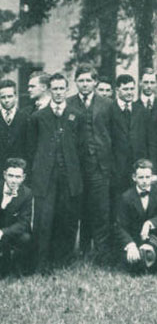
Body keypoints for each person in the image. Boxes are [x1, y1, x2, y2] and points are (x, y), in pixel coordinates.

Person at [28, 73, 84, 271]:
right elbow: (32, 148)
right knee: (45, 218)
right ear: (49, 90)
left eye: (62, 88)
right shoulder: (38, 117)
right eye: (55, 89)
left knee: (67, 218)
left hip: (69, 176)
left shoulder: (76, 115)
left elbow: (81, 147)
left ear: (67, 90)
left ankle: (63, 260)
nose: (58, 92)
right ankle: (42, 262)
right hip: (46, 177)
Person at [67, 63, 113, 263]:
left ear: (95, 82)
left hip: (99, 166)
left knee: (100, 210)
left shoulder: (107, 104)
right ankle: (83, 250)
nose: (85, 84)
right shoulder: (68, 104)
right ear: (76, 82)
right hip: (77, 167)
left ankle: (102, 253)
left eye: (88, 80)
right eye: (81, 80)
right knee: (81, 209)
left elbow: (114, 134)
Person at [115, 159, 157, 273]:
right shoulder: (126, 197)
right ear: (134, 177)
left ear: (152, 177)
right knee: (133, 266)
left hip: (156, 238)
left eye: (147, 177)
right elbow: (120, 226)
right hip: (136, 239)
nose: (145, 181)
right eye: (141, 178)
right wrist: (130, 245)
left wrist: (149, 223)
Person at [111, 74, 148, 215]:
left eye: (132, 89)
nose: (130, 92)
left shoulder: (141, 110)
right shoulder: (109, 110)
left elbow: (146, 140)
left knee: (136, 206)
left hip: (137, 168)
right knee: (117, 205)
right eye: (125, 89)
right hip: (116, 169)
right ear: (117, 90)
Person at [0, 158, 33, 275]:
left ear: (23, 177)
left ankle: (16, 268)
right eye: (11, 176)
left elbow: (23, 223)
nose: (13, 180)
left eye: (17, 177)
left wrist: (3, 232)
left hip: (11, 230)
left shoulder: (27, 194)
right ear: (4, 175)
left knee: (25, 238)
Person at [0, 79, 29, 175]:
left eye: (10, 96)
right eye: (3, 97)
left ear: (16, 97)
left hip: (18, 172)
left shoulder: (26, 117)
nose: (7, 100)